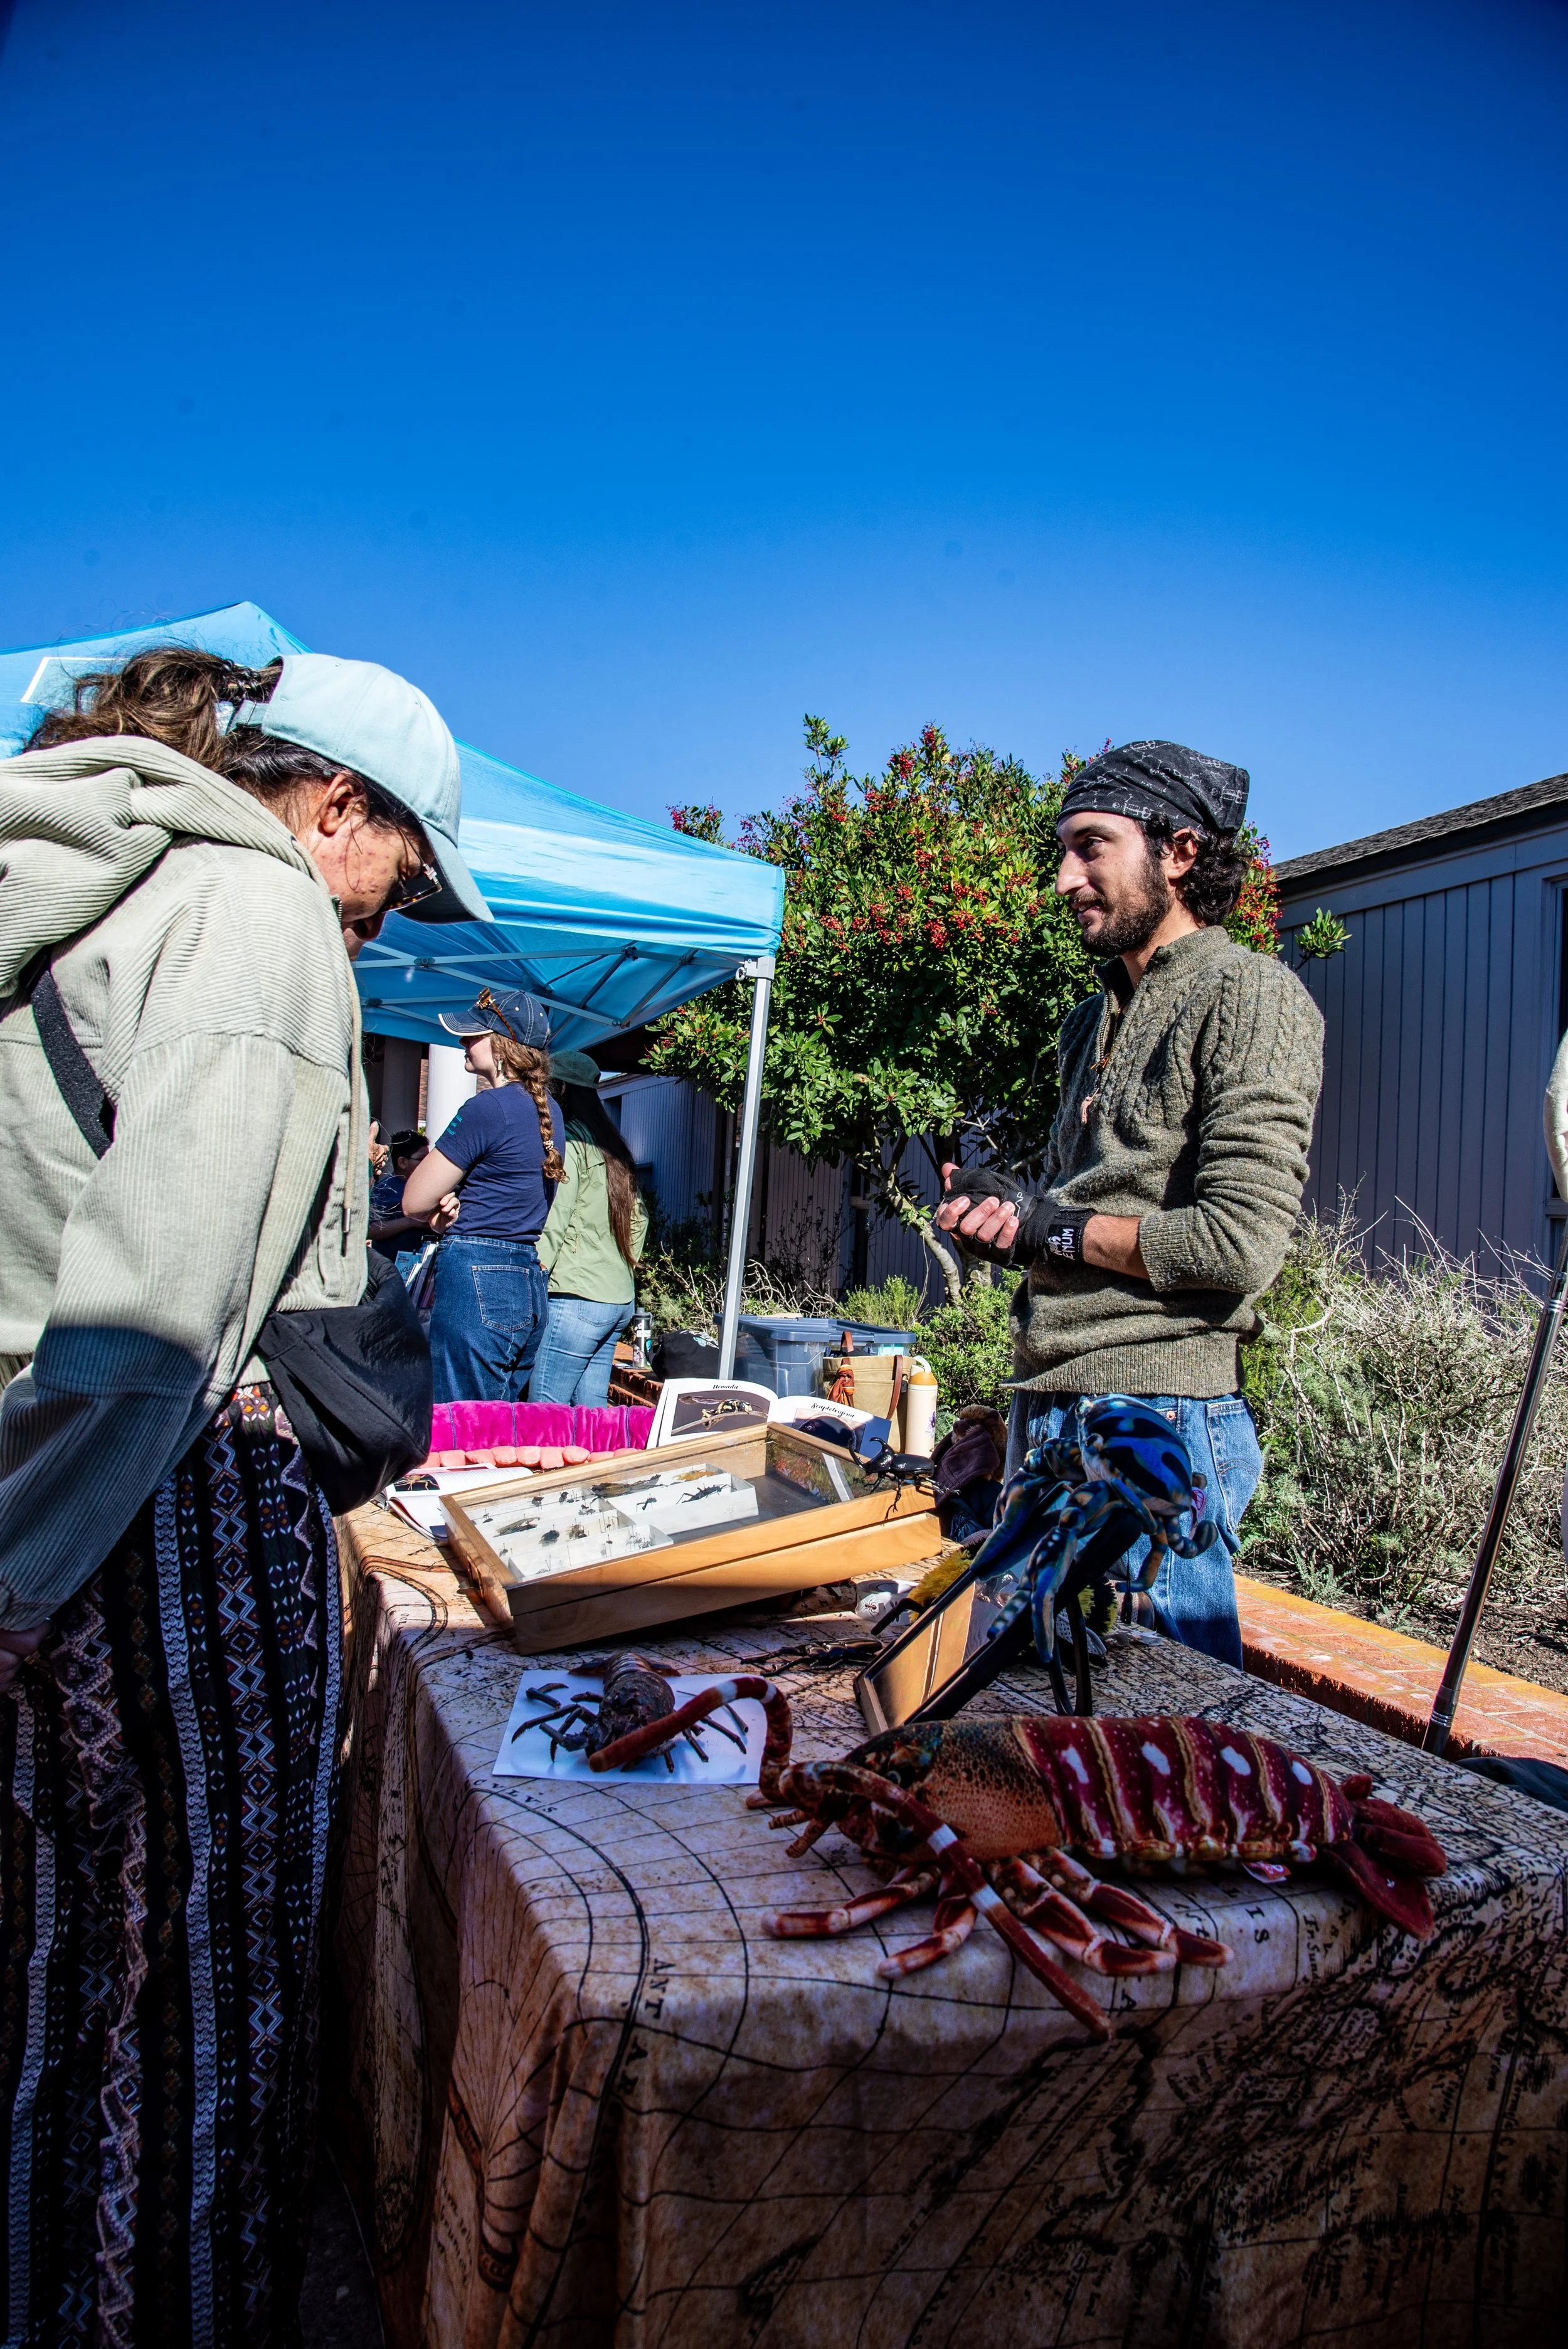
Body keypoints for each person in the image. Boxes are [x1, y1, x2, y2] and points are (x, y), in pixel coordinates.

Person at [0, 643, 490, 2343]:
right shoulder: (258, 909)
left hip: (63, 1493)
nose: (390, 921)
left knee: (73, 1967)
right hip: (151, 1509)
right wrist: (22, 1578)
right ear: (333, 806)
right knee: (201, 1984)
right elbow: (159, 1303)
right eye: (398, 878)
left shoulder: (94, 873)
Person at [937, 740, 1323, 1665]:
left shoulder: (1251, 995)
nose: (1065, 878)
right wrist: (1012, 1216)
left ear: (1181, 852)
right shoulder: (1092, 1014)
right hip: (1055, 1402)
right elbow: (1092, 1207)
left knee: (1166, 1743)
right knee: (1039, 1724)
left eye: (1092, 846)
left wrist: (1050, 1225)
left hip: (1157, 1420)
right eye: (1064, 851)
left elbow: (1238, 1245)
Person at [401, 986, 563, 1401]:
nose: (463, 1042)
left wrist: (438, 1215)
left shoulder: (486, 1109)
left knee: (462, 1430)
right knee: (497, 1429)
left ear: (502, 1045)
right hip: (527, 1279)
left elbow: (413, 1200)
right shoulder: (550, 1110)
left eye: (474, 1034)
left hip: (478, 1278)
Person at [529, 1050, 649, 1407]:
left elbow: (556, 1216)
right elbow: (640, 1221)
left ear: (561, 1089)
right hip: (617, 1296)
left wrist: (535, 1271)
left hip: (576, 1300)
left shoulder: (571, 1143)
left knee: (545, 1410)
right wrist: (621, 1263)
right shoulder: (612, 1145)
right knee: (591, 1412)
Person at [369, 1127, 432, 1259]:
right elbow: (370, 1229)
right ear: (403, 1162)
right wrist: (411, 1222)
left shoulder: (425, 1187)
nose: (428, 1164)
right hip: (393, 1268)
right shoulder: (386, 1189)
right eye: (422, 1159)